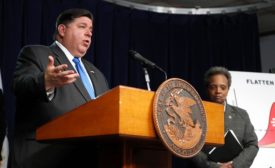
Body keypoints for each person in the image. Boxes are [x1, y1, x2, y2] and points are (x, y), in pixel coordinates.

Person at [12, 8, 109, 168]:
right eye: (82, 26)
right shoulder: (36, 53)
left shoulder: (96, 73)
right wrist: (45, 82)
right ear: (62, 30)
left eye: (91, 29)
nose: (89, 33)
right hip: (44, 157)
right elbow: (20, 86)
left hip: (88, 159)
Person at [191, 66, 258, 168]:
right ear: (207, 88)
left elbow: (252, 145)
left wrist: (233, 165)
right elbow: (190, 147)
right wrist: (215, 166)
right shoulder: (195, 114)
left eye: (223, 87)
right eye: (213, 87)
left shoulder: (242, 115)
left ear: (228, 89)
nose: (218, 91)